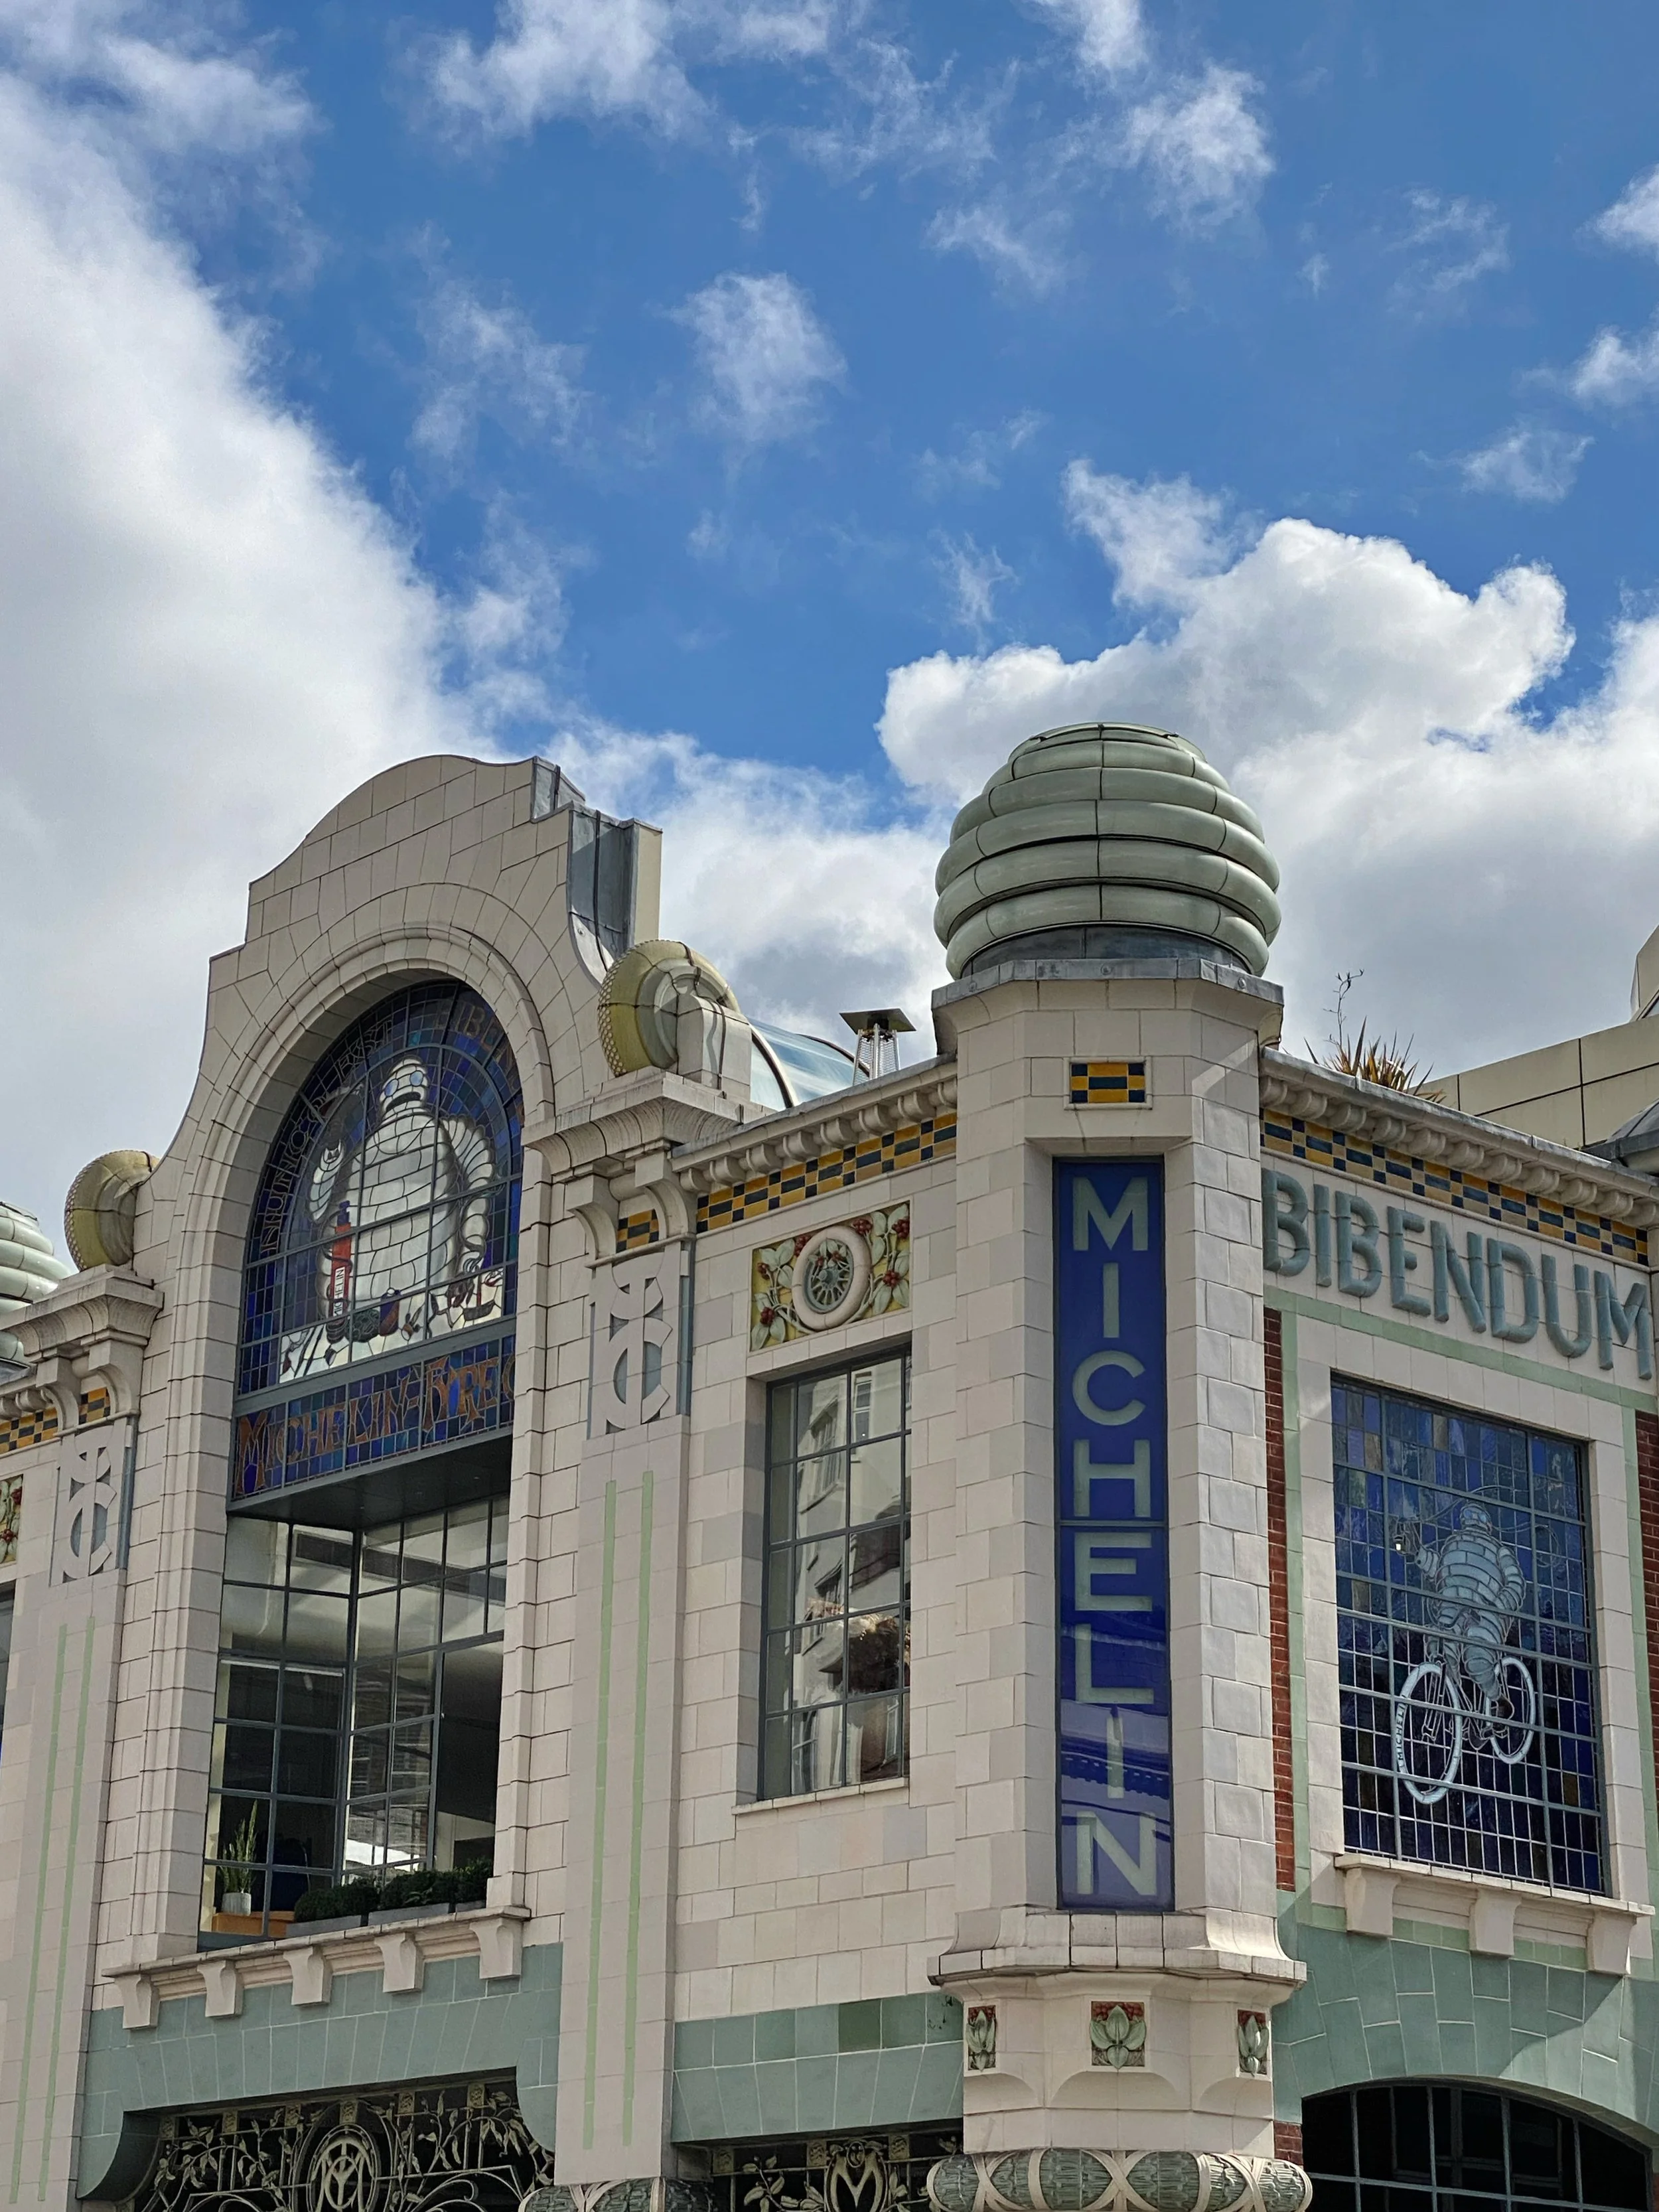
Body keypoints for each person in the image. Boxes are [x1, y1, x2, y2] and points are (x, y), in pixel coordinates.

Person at [1417, 1501, 1526, 1702]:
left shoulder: (1500, 1552)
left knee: (1477, 1659)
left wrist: (1496, 1608)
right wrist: (1417, 1552)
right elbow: (1438, 1569)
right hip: (1451, 1606)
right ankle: (1454, 1700)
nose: (1474, 1520)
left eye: (1480, 1517)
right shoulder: (1452, 1544)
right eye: (1470, 1515)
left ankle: (1499, 1701)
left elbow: (1516, 1584)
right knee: (1438, 1646)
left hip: (1484, 1616)